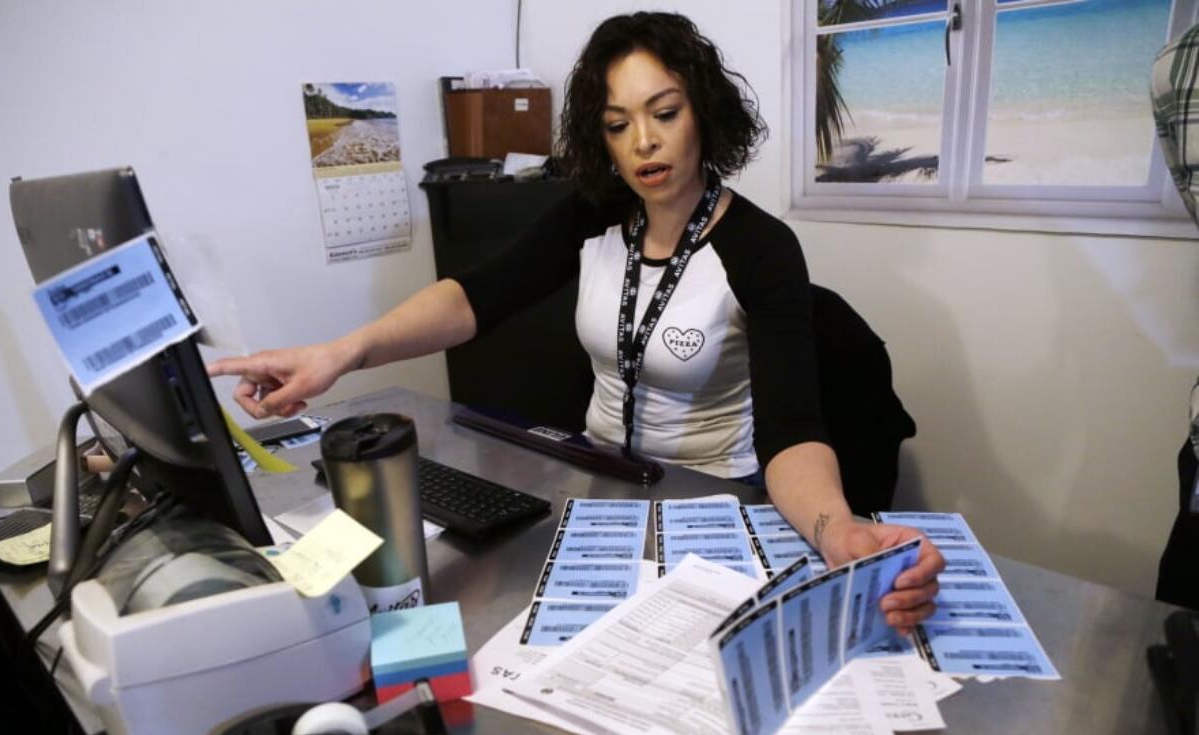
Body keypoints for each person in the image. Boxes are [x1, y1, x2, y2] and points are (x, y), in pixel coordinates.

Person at [209, 12, 943, 630]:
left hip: (710, 500)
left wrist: (836, 526)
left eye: (664, 113)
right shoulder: (594, 215)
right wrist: (341, 352)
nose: (644, 144)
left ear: (704, 114)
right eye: (618, 124)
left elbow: (792, 432)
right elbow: (476, 296)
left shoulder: (760, 249)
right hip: (596, 492)